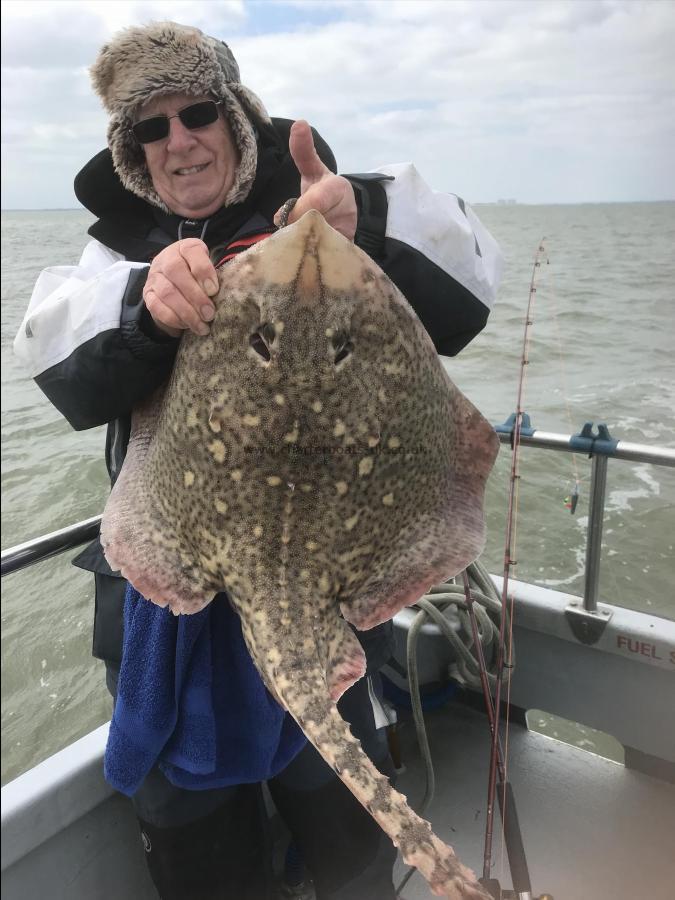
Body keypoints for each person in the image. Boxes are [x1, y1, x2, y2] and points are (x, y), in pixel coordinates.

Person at [13, 21, 501, 900]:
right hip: (176, 588)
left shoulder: (331, 205)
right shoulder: (113, 253)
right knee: (201, 846)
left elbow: (470, 286)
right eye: (148, 129)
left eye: (196, 111)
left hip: (325, 585)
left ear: (238, 118)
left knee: (343, 830)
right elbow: (51, 350)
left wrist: (372, 220)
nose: (177, 140)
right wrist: (147, 302)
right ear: (131, 154)